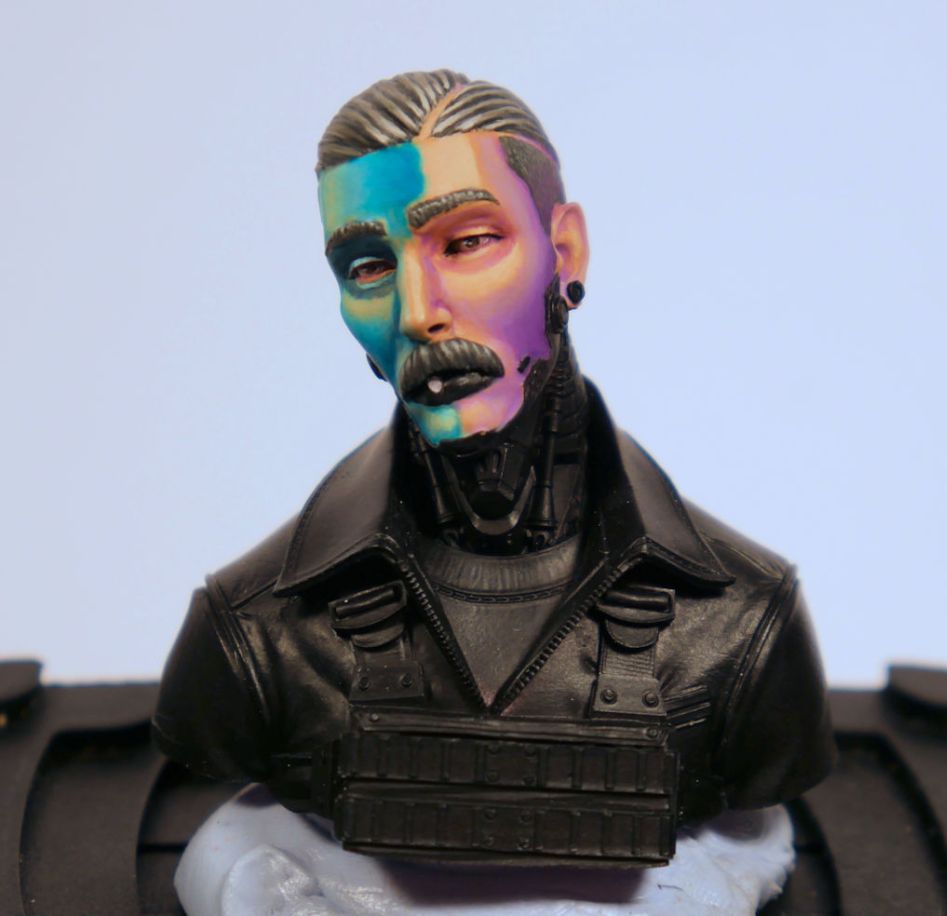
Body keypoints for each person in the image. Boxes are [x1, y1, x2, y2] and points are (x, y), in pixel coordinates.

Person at [154, 70, 834, 869]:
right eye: (368, 267)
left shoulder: (743, 626)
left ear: (564, 252)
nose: (418, 311)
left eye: (467, 242)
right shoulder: (254, 632)